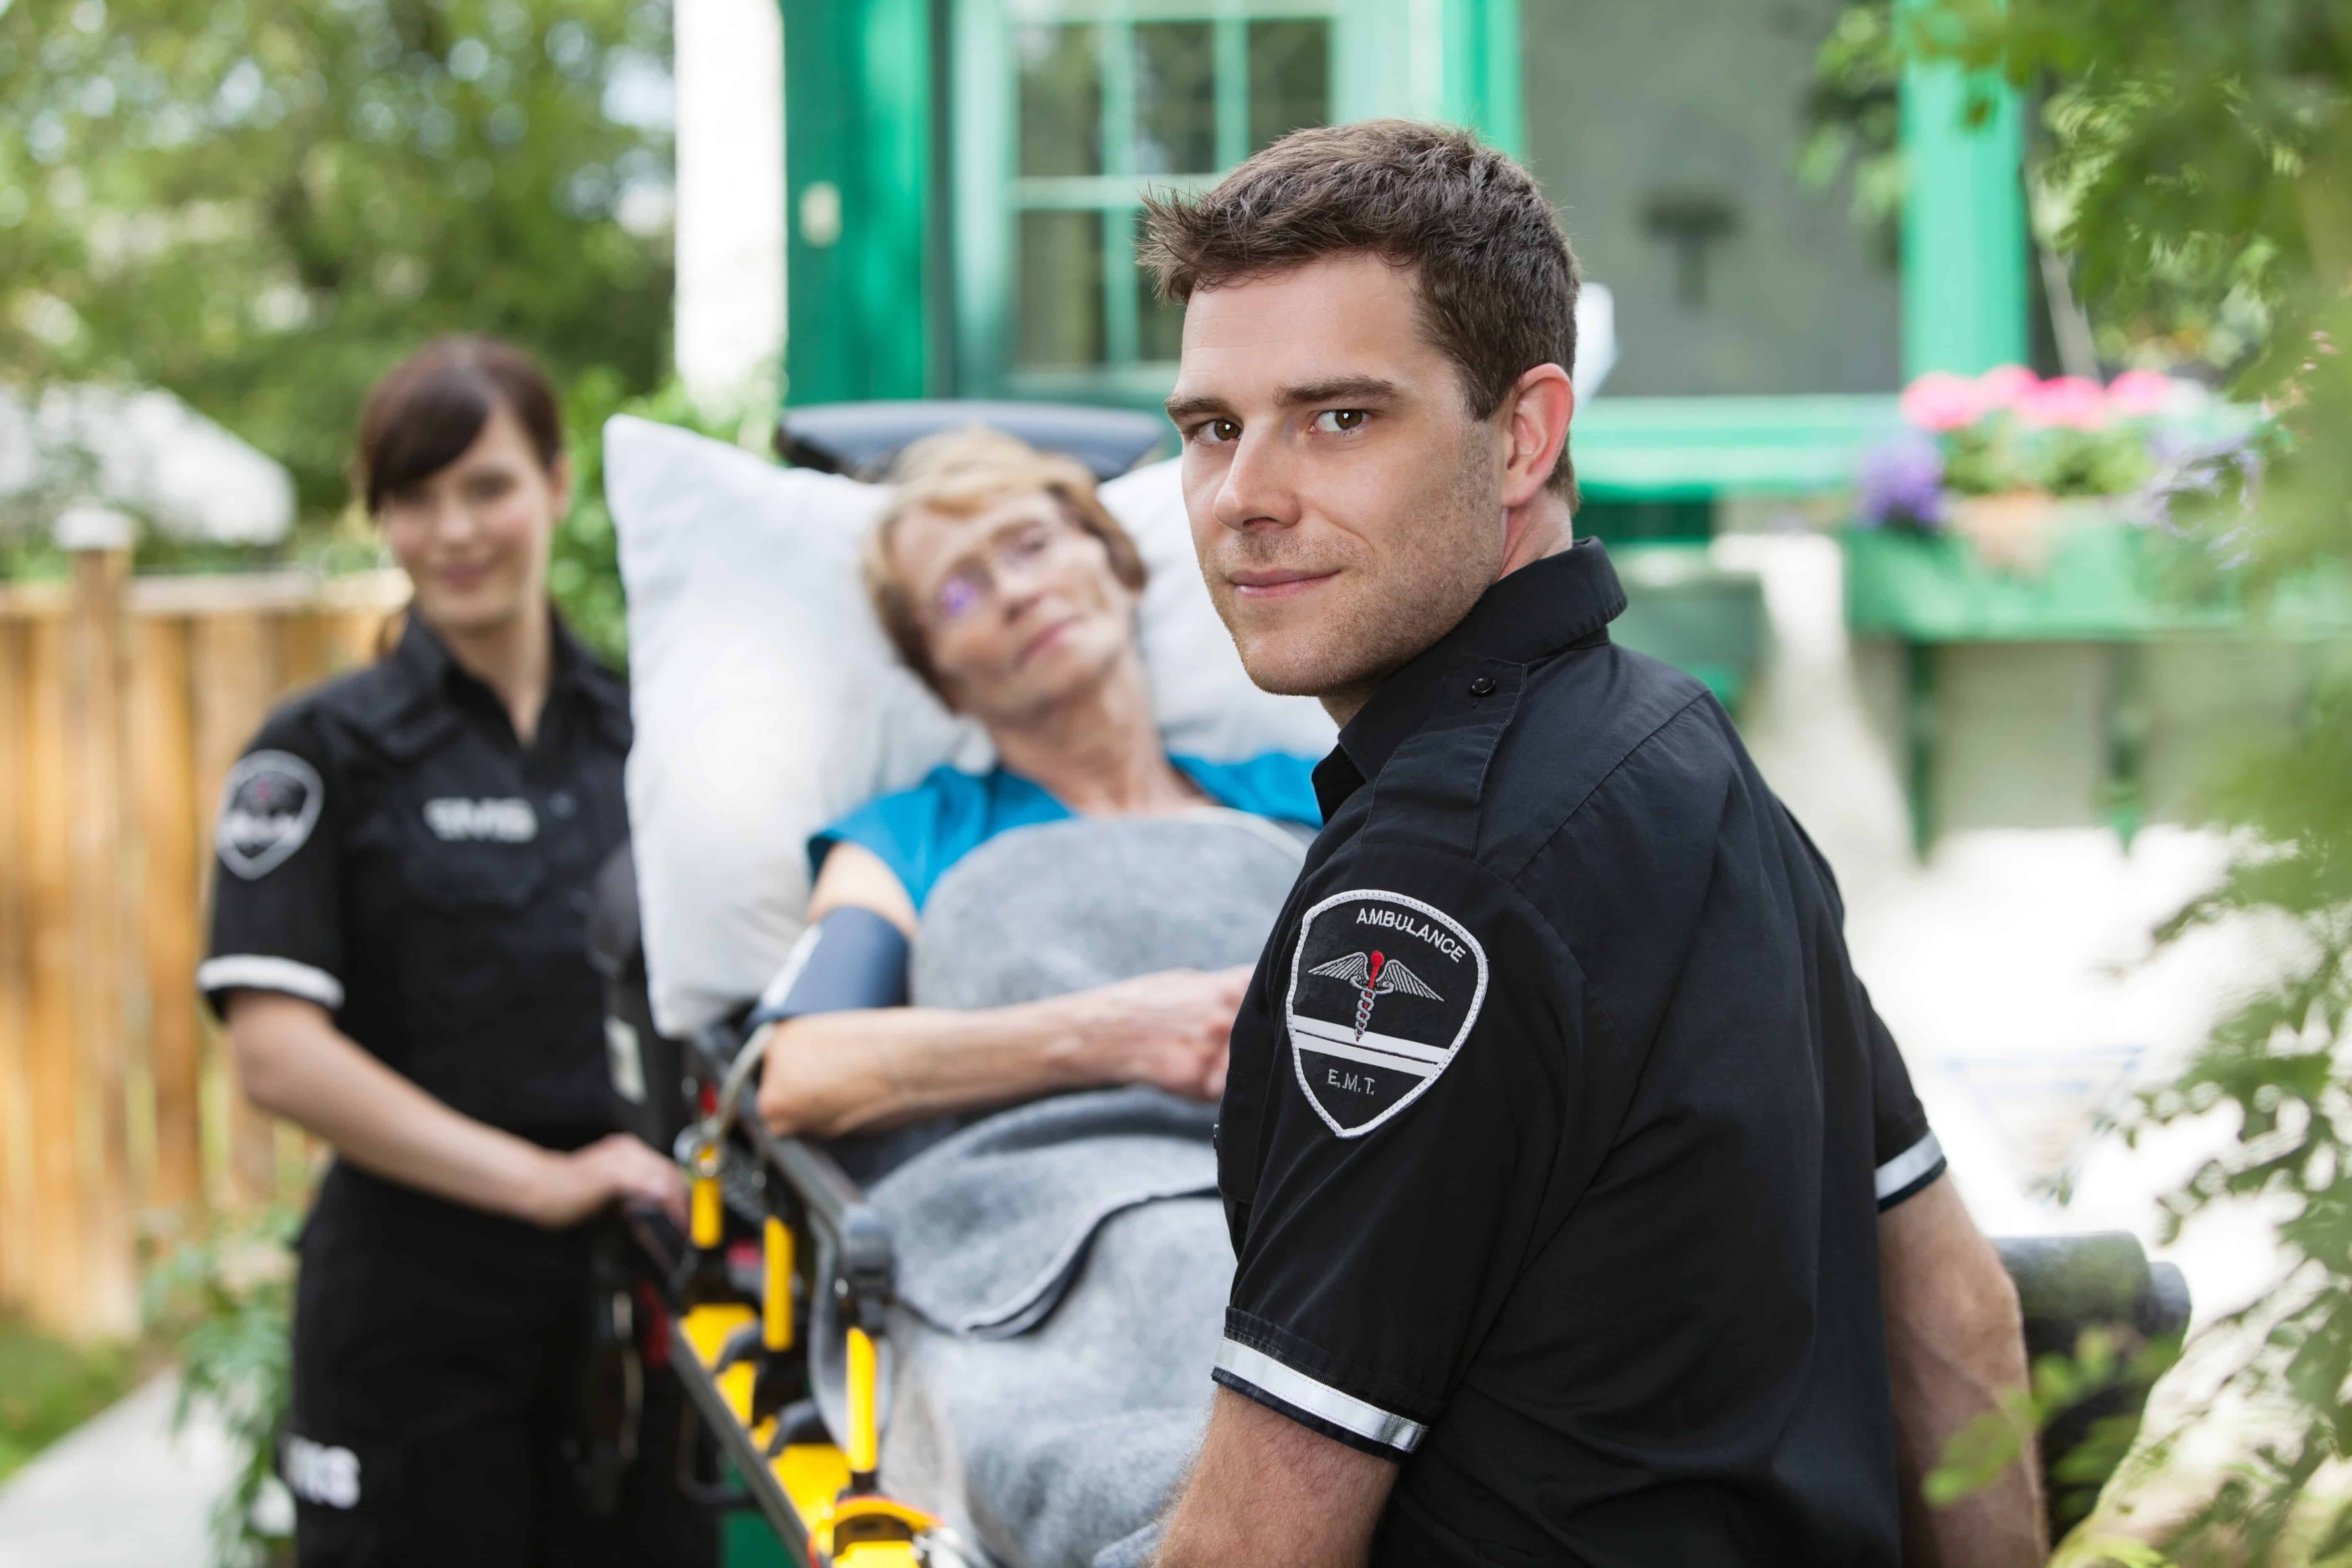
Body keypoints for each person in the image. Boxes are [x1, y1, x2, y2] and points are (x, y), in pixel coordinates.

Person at [1142, 122, 2045, 1566]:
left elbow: (1254, 1543)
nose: (1241, 494)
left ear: (1522, 433)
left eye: (1339, 417)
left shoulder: (1422, 892)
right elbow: (1955, 1322)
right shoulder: (1685, 747)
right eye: (1209, 427)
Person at [199, 337, 711, 1568]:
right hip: (411, 1315)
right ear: (380, 521)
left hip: (632, 1309)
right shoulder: (320, 751)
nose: (455, 530)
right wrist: (539, 1182)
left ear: (555, 485)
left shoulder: (646, 731)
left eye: (485, 487)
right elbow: (275, 1057)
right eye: (415, 500)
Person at [753, 426, 1320, 1160]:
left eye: (1031, 545)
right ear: (941, 678)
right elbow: (801, 1071)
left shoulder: (1309, 794)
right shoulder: (912, 838)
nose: (1016, 593)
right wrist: (1110, 1036)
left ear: (1117, 565)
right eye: (958, 593)